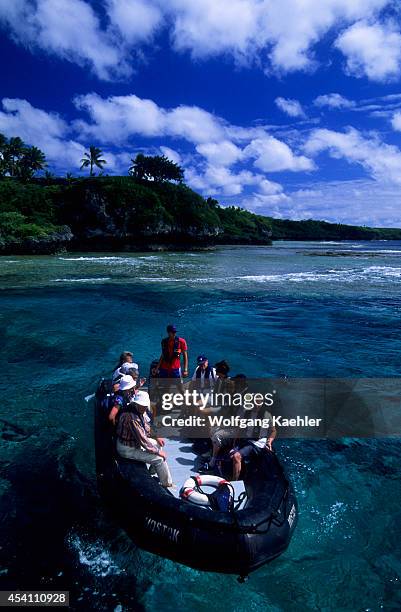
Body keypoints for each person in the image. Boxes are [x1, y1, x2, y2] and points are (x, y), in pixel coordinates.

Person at [116, 390, 173, 488]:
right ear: (136, 404)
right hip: (127, 449)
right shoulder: (132, 418)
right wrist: (158, 453)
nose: (144, 408)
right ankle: (167, 484)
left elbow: (146, 427)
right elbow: (143, 440)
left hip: (133, 443)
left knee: (158, 444)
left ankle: (152, 471)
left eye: (145, 406)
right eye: (142, 406)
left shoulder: (137, 410)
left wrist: (156, 437)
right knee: (160, 459)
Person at [231, 398, 277, 481]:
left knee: (236, 456)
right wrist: (235, 443)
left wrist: (269, 441)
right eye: (255, 402)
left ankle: (234, 482)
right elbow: (240, 429)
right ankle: (239, 477)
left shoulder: (267, 415)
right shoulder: (246, 413)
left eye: (259, 402)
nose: (257, 404)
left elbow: (273, 431)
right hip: (247, 441)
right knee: (232, 454)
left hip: (257, 443)